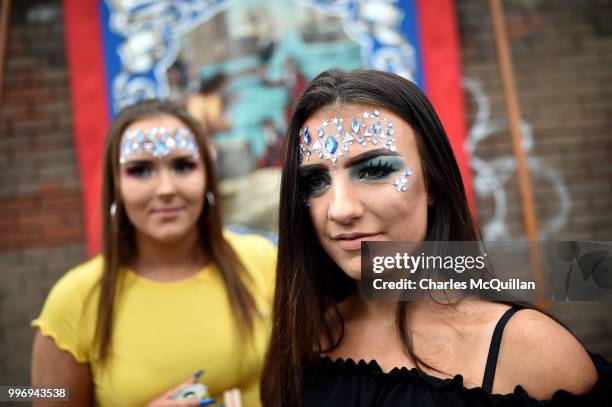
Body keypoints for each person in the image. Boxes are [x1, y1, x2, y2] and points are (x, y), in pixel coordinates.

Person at [260, 69, 612, 406]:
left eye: (374, 170)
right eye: (315, 182)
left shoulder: (531, 351)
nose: (339, 209)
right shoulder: (302, 341)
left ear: (433, 183)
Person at [31, 100, 276, 406]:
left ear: (207, 178)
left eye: (183, 166)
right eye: (141, 170)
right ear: (116, 184)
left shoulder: (263, 262)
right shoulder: (74, 300)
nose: (165, 188)